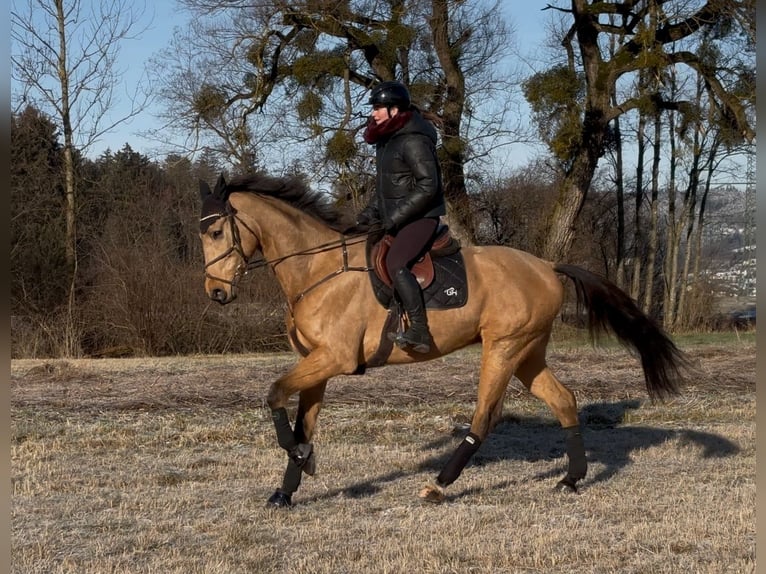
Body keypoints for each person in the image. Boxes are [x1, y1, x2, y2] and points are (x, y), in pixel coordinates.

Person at [346, 80, 446, 354]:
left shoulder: (413, 140)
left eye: (378, 108)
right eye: (374, 108)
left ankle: (419, 329)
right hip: (399, 218)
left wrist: (393, 218)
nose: (373, 113)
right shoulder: (387, 142)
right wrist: (366, 217)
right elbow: (386, 190)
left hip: (422, 218)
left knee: (396, 262)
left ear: (394, 110)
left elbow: (429, 186)